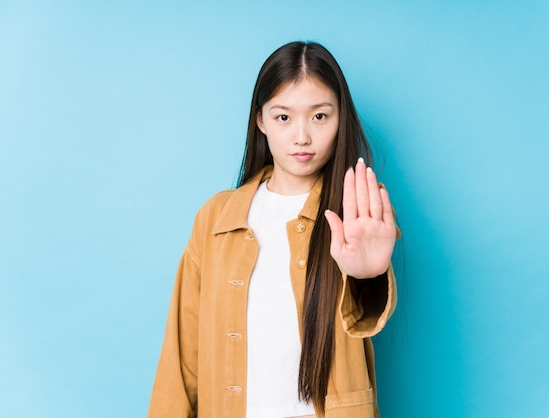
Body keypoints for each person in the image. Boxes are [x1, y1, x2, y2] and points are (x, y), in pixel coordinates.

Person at [148, 41, 398, 418]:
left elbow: (363, 317)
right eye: (284, 117)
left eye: (319, 116)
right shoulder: (216, 219)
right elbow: (181, 361)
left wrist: (368, 276)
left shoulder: (359, 210)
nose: (302, 137)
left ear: (340, 119)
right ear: (260, 120)